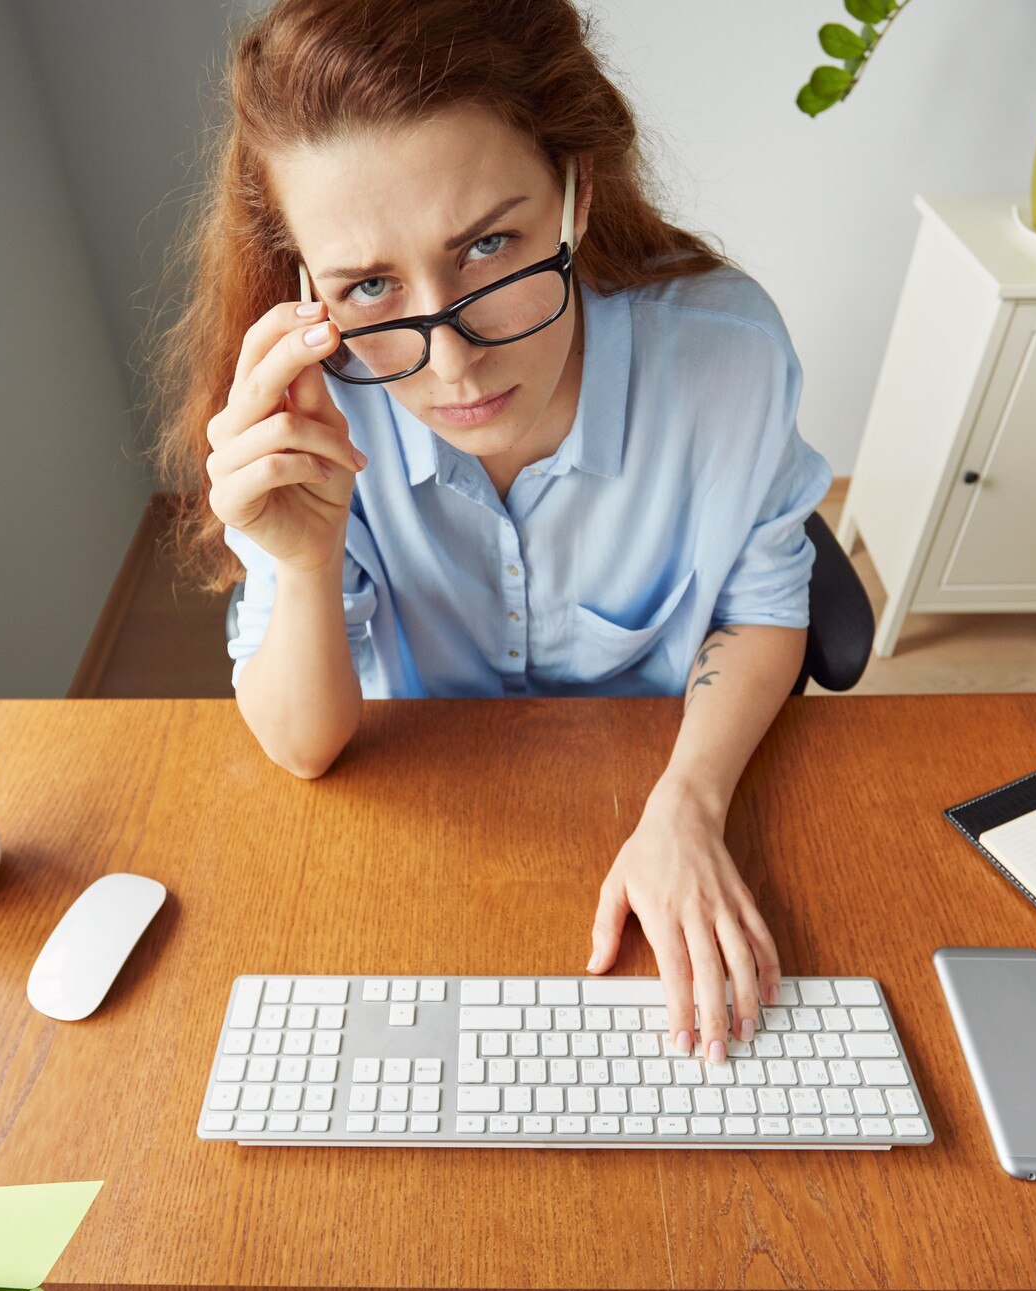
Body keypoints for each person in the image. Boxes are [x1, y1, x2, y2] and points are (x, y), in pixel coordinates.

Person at [152, 0, 833, 1065]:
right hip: (417, 827)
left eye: (486, 246)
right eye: (368, 285)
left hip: (651, 792)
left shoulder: (725, 358)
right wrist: (302, 557)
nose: (451, 359)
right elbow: (301, 744)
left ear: (576, 192)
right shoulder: (309, 406)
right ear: (303, 289)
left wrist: (687, 808)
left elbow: (759, 604)